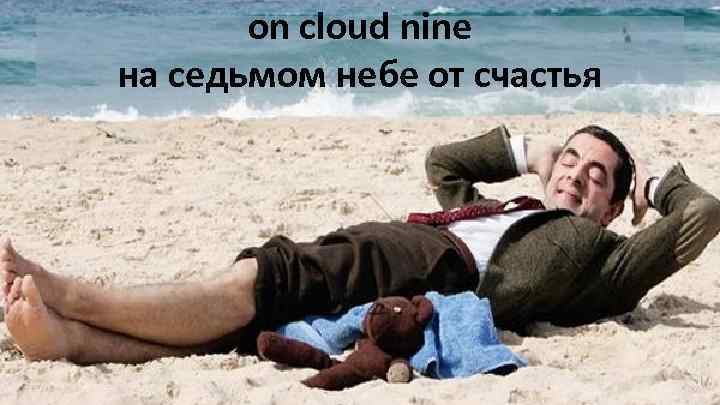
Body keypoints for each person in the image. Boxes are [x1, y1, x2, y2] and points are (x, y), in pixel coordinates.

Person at [3, 125, 720, 365]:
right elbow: (444, 161)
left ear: (611, 207)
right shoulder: (504, 206)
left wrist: (658, 185)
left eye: (596, 175)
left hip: (438, 267)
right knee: (256, 322)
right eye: (571, 159)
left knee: (269, 278)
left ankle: (71, 295)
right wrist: (528, 152)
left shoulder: (604, 258)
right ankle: (71, 339)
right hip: (411, 248)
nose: (575, 174)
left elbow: (704, 214)